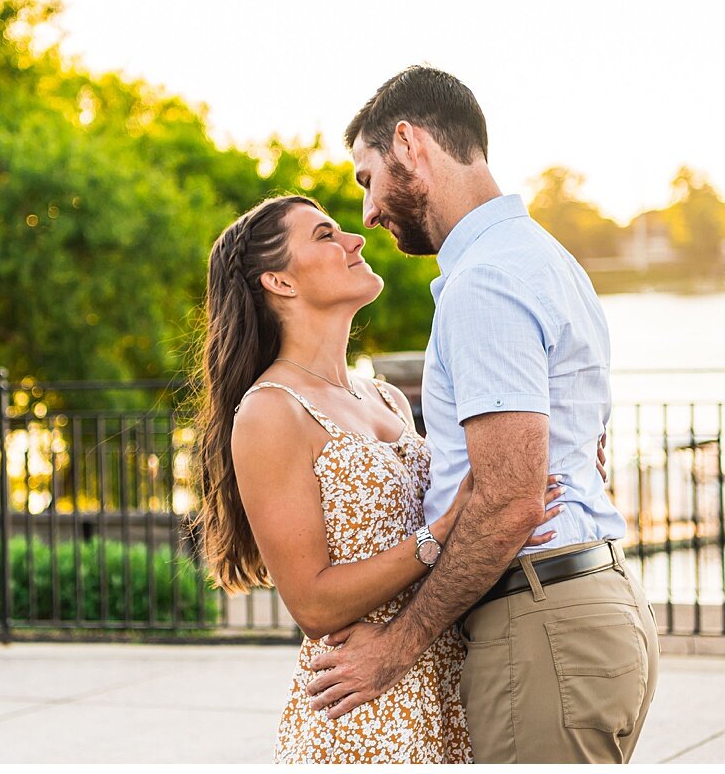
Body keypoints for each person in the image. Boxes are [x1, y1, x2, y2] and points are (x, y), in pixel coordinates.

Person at [304, 66, 659, 763]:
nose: (369, 213)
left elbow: (509, 503)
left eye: (365, 178)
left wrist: (396, 650)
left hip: (543, 623)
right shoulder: (542, 258)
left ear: (408, 145)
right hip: (582, 609)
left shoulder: (486, 281)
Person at [192, 194, 571, 763]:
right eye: (324, 235)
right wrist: (443, 531)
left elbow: (473, 493)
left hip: (450, 688)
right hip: (365, 712)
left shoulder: (387, 397)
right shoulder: (271, 411)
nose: (356, 239)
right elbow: (313, 605)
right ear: (280, 282)